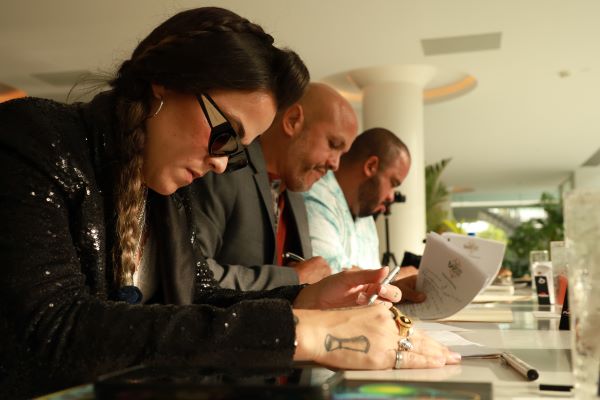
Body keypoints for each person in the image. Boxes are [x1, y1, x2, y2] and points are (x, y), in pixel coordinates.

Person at [0, 7, 458, 399]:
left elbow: (199, 294)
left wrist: (305, 297)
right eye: (226, 134)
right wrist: (305, 332)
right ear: (164, 83)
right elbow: (54, 331)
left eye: (237, 151)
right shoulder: (31, 138)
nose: (221, 164)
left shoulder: (163, 195)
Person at [177, 82, 355, 290]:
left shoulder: (295, 193)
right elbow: (190, 274)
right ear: (292, 121)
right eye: (333, 144)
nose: (335, 164)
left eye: (342, 154)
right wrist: (293, 278)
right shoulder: (224, 168)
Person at [303, 128, 425, 302]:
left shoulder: (365, 215)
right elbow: (328, 275)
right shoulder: (315, 194)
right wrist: (396, 277)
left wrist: (391, 284)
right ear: (370, 166)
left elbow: (370, 278)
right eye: (393, 183)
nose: (391, 196)